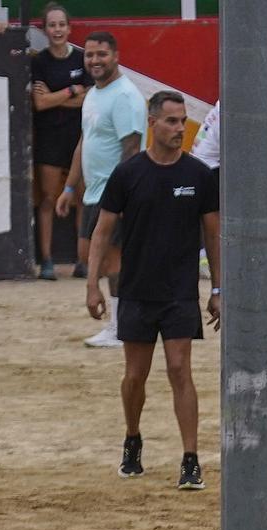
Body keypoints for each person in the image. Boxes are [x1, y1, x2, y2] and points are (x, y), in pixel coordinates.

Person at [85, 90, 221, 492]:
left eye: (183, 121)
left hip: (179, 292)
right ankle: (132, 438)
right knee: (135, 376)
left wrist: (218, 287)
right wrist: (93, 285)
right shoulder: (128, 174)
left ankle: (191, 458)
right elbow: (102, 231)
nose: (180, 129)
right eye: (172, 121)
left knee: (180, 370)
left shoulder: (198, 175)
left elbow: (213, 235)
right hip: (137, 291)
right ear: (152, 123)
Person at [60, 31, 146, 349]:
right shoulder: (95, 94)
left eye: (102, 55)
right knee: (88, 256)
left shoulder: (125, 96)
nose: (95, 60)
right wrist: (70, 186)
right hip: (93, 193)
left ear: (116, 56)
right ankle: (121, 321)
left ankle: (120, 326)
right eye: (90, 55)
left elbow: (132, 149)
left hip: (114, 194)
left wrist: (124, 195)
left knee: (113, 261)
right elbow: (86, 141)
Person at [29, 5, 88, 282]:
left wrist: (55, 97)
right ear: (45, 29)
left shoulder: (82, 58)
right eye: (52, 25)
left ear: (69, 28)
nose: (57, 30)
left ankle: (82, 259)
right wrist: (70, 91)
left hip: (78, 138)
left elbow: (87, 99)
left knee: (81, 199)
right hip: (49, 140)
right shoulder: (39, 61)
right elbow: (39, 104)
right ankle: (48, 261)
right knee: (48, 199)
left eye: (61, 25)